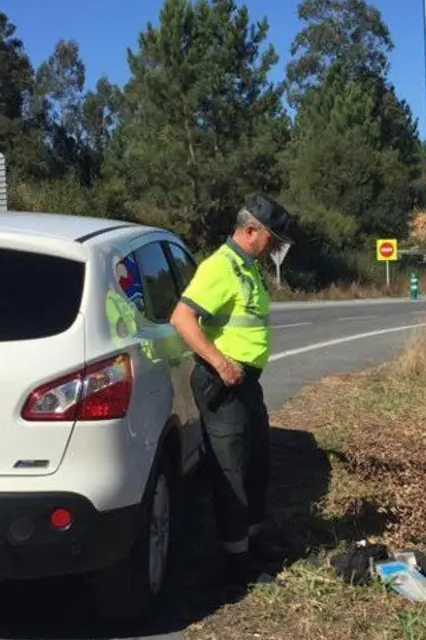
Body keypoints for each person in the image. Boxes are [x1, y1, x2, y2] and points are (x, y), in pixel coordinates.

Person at [169, 192, 293, 588]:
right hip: (222, 384)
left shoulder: (248, 267)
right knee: (231, 473)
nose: (274, 247)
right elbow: (182, 318)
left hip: (246, 385)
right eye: (271, 239)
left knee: (257, 466)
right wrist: (221, 364)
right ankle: (236, 564)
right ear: (250, 230)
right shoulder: (220, 266)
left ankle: (253, 543)